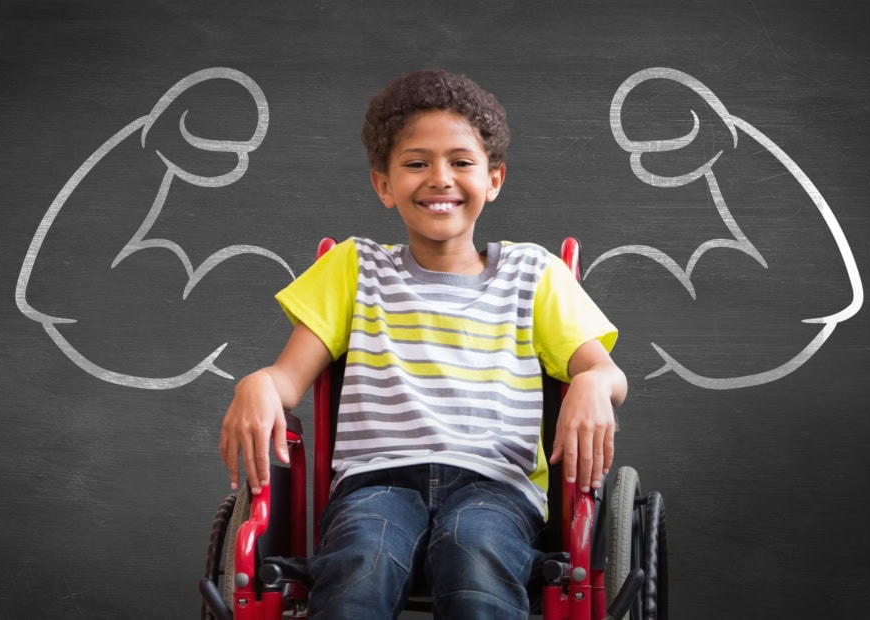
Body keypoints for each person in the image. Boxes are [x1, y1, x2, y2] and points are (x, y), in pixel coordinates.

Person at [219, 68, 627, 619]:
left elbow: (606, 372)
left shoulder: (533, 273)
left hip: (496, 487)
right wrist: (255, 384)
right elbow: (286, 380)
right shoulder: (355, 268)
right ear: (384, 185)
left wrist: (591, 382)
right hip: (376, 482)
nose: (440, 178)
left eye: (461, 162)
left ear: (494, 179)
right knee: (362, 560)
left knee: (474, 551)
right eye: (416, 163)